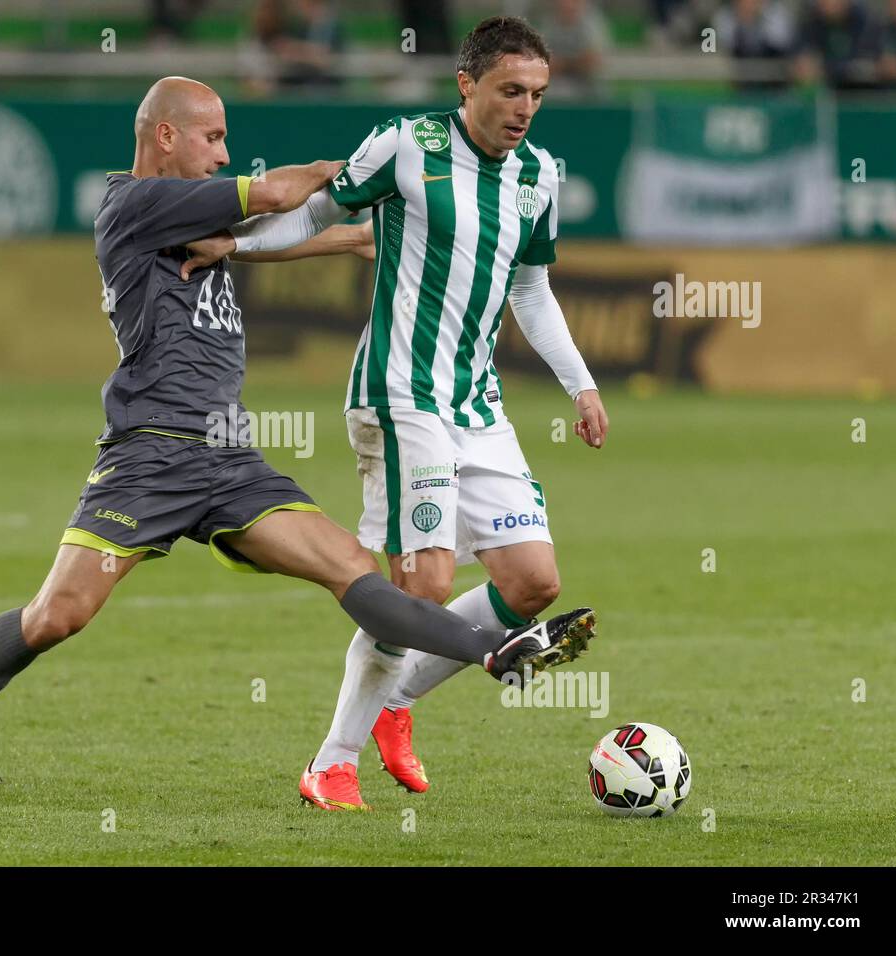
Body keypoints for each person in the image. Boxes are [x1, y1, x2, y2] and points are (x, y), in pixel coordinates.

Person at [0, 76, 598, 802]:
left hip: (229, 459)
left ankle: (495, 650)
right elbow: (277, 197)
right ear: (166, 136)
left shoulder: (193, 221)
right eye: (213, 138)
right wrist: (355, 168)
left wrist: (357, 238)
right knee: (58, 616)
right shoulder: (133, 203)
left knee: (351, 566)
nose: (223, 155)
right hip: (148, 454)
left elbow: (260, 239)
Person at [179, 16, 608, 811]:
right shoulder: (407, 145)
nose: (524, 108)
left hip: (476, 404)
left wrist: (580, 385)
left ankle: (396, 701)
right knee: (424, 585)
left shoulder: (537, 175)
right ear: (466, 85)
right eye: (511, 90)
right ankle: (331, 762)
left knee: (533, 580)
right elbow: (316, 215)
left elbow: (531, 289)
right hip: (398, 394)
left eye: (538, 95)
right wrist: (234, 247)